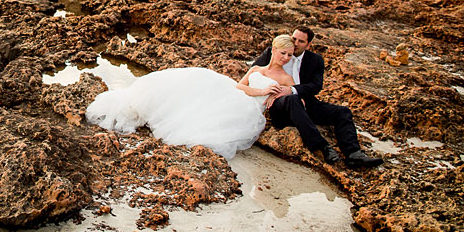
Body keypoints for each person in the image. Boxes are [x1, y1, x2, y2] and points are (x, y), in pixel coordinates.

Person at [84, 34, 297, 159]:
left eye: (289, 55)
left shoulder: (287, 79)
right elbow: (241, 87)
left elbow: (294, 102)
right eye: (283, 53)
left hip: (247, 109)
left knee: (200, 115)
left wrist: (276, 97)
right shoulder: (257, 69)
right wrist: (262, 91)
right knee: (195, 80)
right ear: (274, 50)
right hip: (234, 90)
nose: (286, 58)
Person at [254, 26, 383, 168]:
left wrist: (291, 89)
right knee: (292, 99)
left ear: (308, 45)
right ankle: (322, 146)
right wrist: (268, 92)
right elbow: (254, 75)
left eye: (301, 41)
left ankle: (354, 154)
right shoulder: (275, 53)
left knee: (343, 112)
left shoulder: (315, 60)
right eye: (294, 38)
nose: (295, 43)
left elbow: (316, 86)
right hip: (279, 105)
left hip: (305, 102)